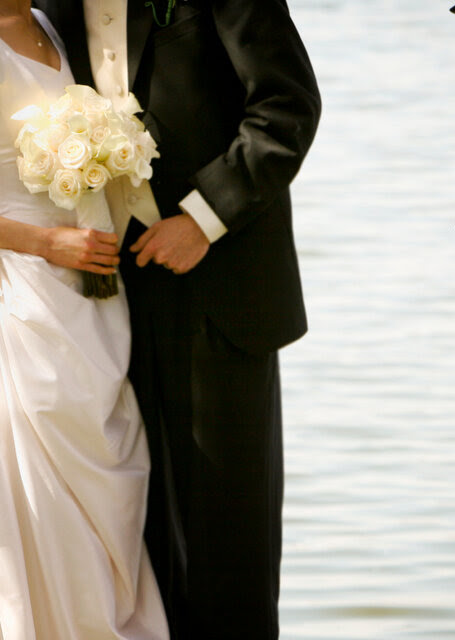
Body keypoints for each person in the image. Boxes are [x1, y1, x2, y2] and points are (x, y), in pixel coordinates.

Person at [32, 0, 322, 636]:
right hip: (100, 304)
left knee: (229, 545)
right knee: (132, 536)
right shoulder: (43, 9)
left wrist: (203, 219)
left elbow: (287, 104)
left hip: (222, 293)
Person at [0, 2, 169, 639]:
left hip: (91, 278)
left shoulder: (47, 20)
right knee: (40, 441)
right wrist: (43, 245)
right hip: (22, 282)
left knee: (107, 450)